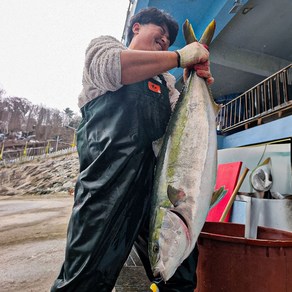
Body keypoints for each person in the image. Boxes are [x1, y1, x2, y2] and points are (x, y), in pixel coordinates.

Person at [51, 7, 213, 292]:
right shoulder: (104, 48)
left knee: (180, 273)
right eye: (159, 34)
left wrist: (195, 83)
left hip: (155, 194)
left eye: (169, 42)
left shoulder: (168, 86)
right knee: (85, 280)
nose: (164, 41)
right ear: (136, 27)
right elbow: (117, 67)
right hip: (105, 192)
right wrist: (178, 57)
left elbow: (185, 130)